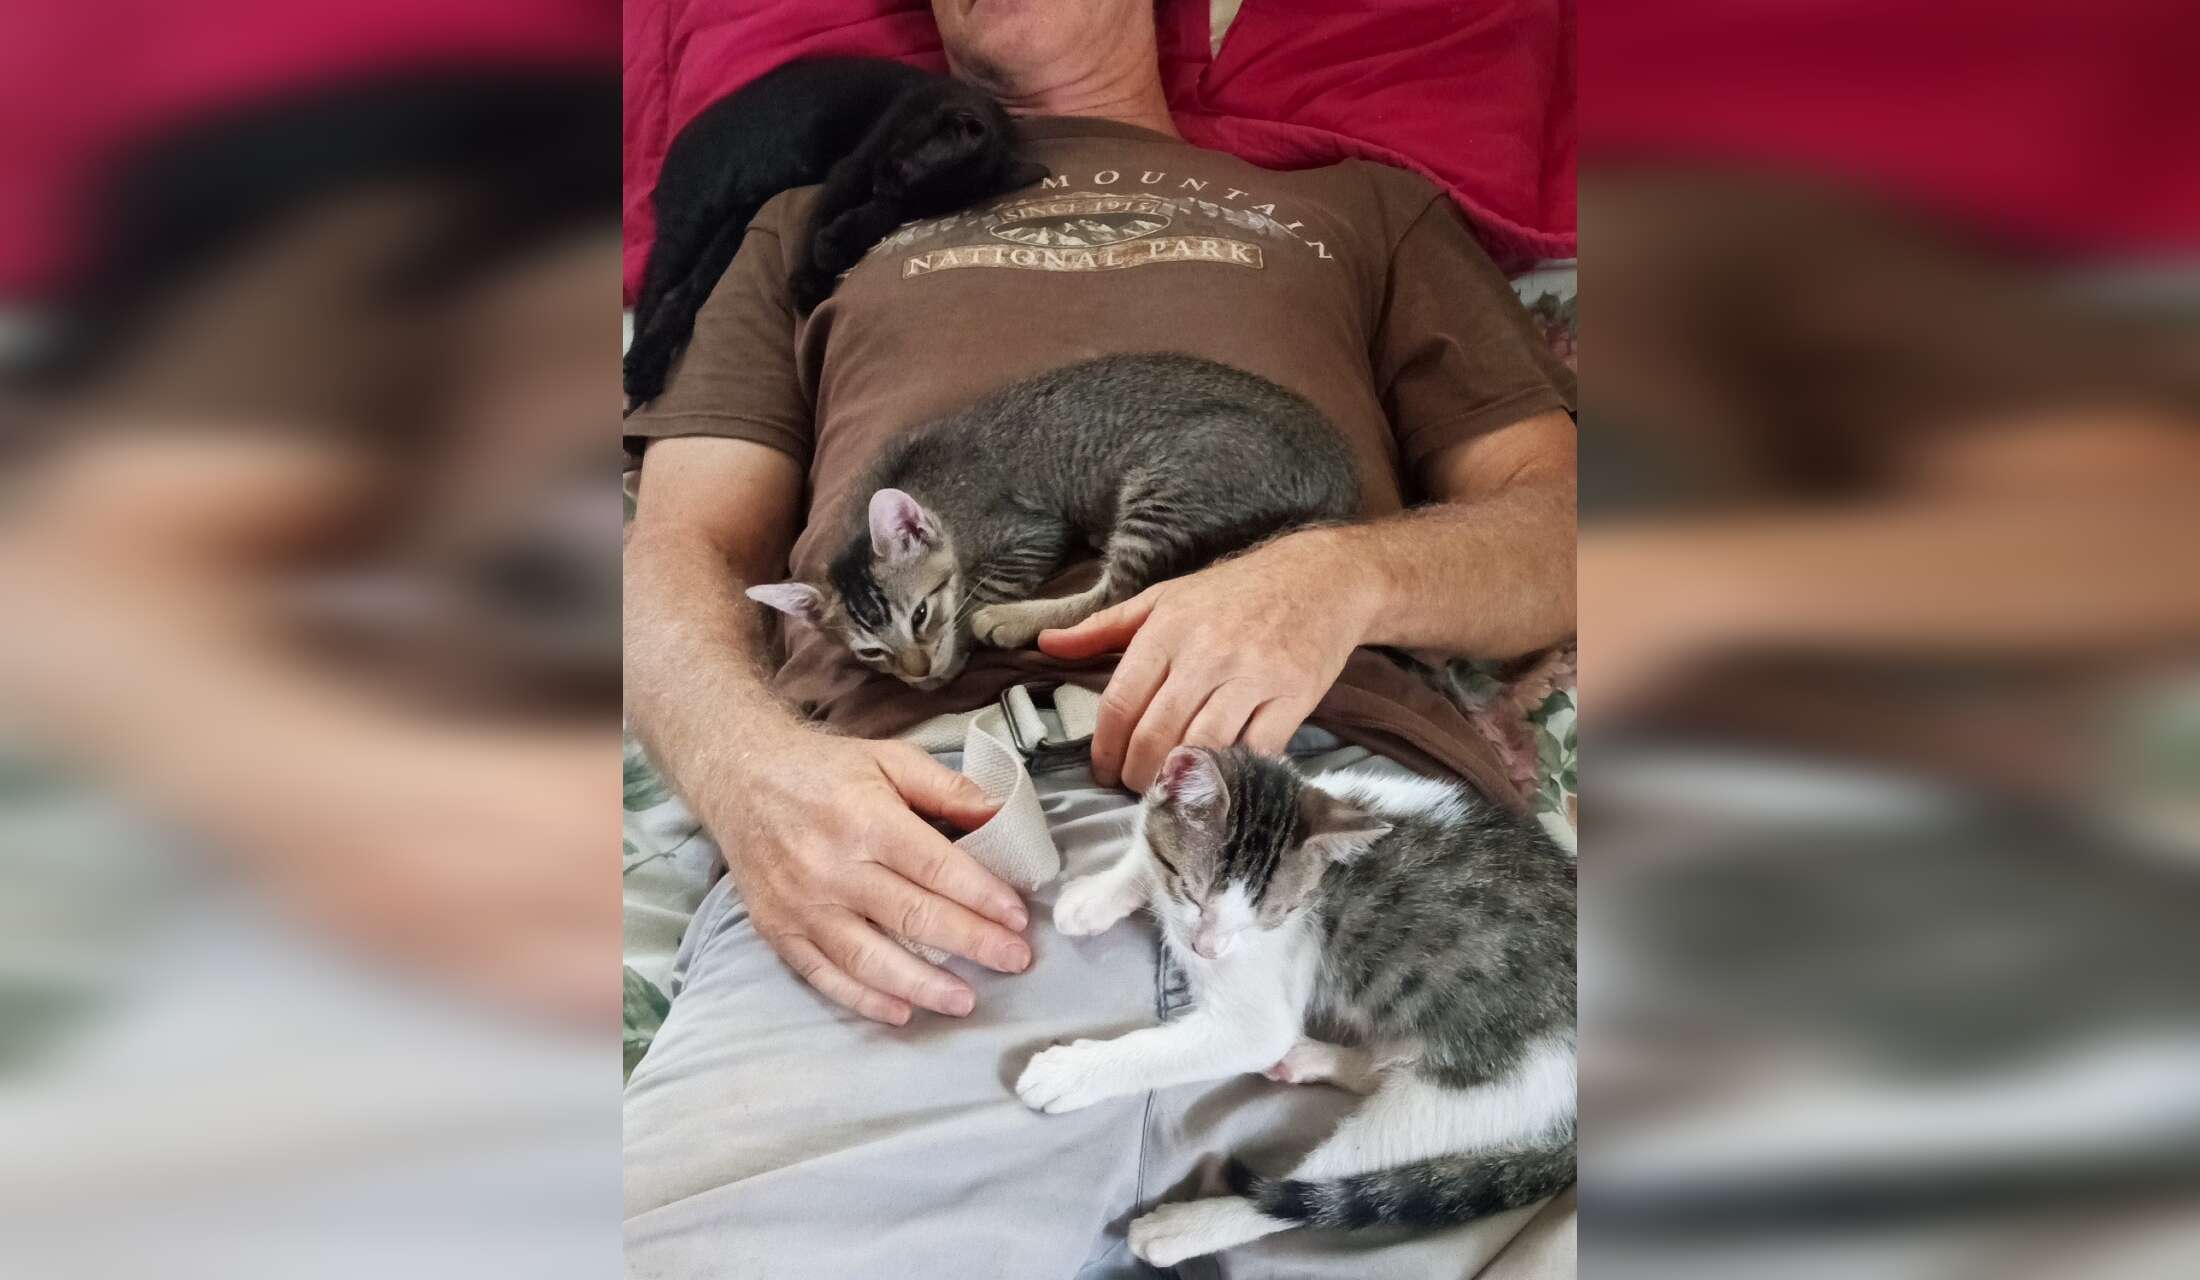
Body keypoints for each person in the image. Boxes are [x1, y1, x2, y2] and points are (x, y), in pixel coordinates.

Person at [622, 3, 1577, 1275]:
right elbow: (675, 548)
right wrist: (745, 769)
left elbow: (1566, 526)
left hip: (1371, 851)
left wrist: (1341, 576)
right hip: (920, 847)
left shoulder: (1365, 206)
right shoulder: (810, 221)